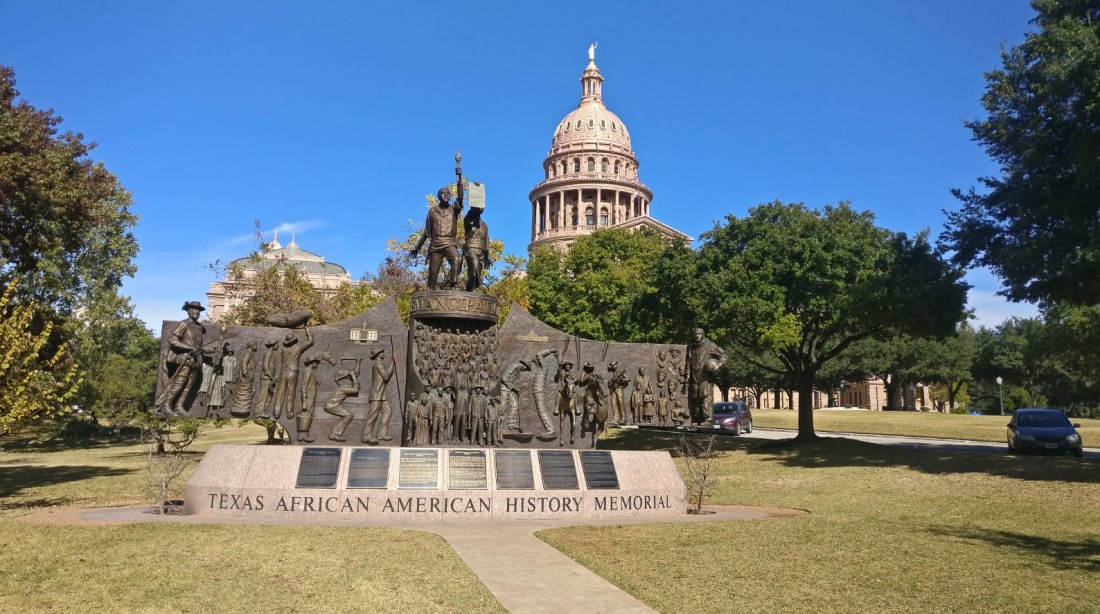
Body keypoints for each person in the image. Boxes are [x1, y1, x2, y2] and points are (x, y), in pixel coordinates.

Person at [155, 301, 207, 415]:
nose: (197, 312)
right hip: (186, 359)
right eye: (194, 309)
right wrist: (188, 348)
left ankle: (179, 406)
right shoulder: (184, 324)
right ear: (188, 311)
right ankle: (166, 406)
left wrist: (207, 350)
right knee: (179, 383)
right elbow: (173, 340)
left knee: (189, 384)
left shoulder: (199, 327)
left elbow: (199, 346)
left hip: (197, 360)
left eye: (198, 310)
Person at [411, 185, 463, 290]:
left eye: (448, 194)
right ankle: (430, 290)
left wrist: (459, 181)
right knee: (433, 273)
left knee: (457, 259)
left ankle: (453, 285)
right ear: (439, 196)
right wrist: (417, 248)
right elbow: (426, 232)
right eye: (444, 193)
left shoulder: (453, 209)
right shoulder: (432, 211)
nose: (446, 195)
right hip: (436, 244)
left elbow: (460, 198)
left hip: (449, 243)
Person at [685, 328, 726, 423]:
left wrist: (718, 365)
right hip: (694, 376)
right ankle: (697, 418)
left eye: (699, 334)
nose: (697, 336)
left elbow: (723, 356)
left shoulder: (710, 345)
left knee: (705, 396)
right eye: (695, 334)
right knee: (695, 397)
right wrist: (687, 375)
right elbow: (688, 362)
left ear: (703, 334)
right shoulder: (691, 347)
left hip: (705, 376)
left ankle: (708, 419)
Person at [274, 327, 314, 419]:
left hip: (283, 372)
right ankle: (289, 413)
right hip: (293, 372)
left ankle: (276, 412)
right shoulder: (298, 347)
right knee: (291, 393)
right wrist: (307, 329)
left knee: (280, 392)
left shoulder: (283, 349)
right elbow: (310, 341)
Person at [362, 347, 395, 445]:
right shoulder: (378, 363)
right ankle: (366, 436)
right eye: (382, 352)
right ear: (378, 354)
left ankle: (382, 434)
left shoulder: (378, 362)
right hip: (377, 394)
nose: (383, 353)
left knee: (388, 412)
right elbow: (386, 376)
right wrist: (393, 363)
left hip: (382, 394)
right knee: (372, 416)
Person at [325, 357, 362, 443]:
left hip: (333, 405)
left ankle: (334, 434)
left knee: (348, 415)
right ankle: (334, 434)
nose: (351, 378)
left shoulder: (344, 386)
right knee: (348, 415)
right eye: (348, 378)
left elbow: (356, 373)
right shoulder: (343, 387)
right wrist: (353, 377)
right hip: (332, 406)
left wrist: (358, 362)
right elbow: (356, 389)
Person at [529, 348, 558, 436]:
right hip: (537, 391)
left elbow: (539, 354)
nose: (535, 363)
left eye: (535, 362)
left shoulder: (543, 368)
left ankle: (550, 429)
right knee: (541, 410)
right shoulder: (539, 370)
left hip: (539, 391)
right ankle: (550, 428)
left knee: (542, 411)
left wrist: (550, 350)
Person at [462, 206, 491, 291]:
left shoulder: (484, 225)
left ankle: (470, 290)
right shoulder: (469, 220)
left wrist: (487, 257)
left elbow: (487, 241)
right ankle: (471, 290)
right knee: (475, 270)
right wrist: (473, 209)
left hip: (481, 251)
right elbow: (469, 218)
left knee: (477, 272)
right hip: (470, 248)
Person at [499, 359, 531, 432]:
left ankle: (511, 424)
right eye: (526, 368)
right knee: (502, 408)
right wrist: (513, 388)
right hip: (504, 389)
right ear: (524, 365)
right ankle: (498, 426)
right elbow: (504, 378)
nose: (525, 370)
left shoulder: (518, 370)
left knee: (515, 405)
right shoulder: (513, 366)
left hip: (509, 390)